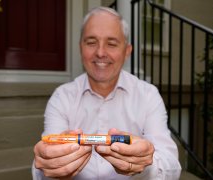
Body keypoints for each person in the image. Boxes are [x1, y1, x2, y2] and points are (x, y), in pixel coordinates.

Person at [32, 6, 181, 180]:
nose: (101, 53)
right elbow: (43, 166)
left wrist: (147, 164)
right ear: (81, 48)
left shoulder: (148, 95)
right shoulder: (61, 97)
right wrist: (50, 166)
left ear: (127, 51)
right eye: (91, 42)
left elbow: (171, 167)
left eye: (111, 43)